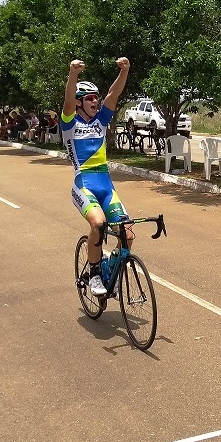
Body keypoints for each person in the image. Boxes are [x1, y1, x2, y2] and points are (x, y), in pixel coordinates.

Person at [62, 57, 131, 295]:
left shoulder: (101, 122)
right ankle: (93, 276)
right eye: (90, 98)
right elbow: (68, 102)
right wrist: (73, 75)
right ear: (80, 103)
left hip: (106, 185)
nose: (96, 101)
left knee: (128, 235)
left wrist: (125, 71)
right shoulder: (69, 124)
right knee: (99, 224)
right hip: (84, 184)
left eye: (96, 98)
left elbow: (113, 95)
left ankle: (109, 270)